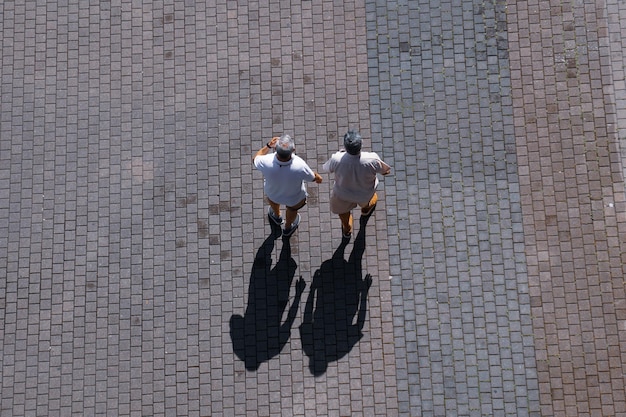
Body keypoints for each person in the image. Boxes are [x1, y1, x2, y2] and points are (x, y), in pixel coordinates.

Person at [322, 129, 391, 239]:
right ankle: (365, 211)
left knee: (343, 213)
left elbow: (326, 168)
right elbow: (386, 171)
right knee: (369, 202)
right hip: (364, 193)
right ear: (361, 144)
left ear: (345, 146)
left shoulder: (337, 159)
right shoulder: (372, 159)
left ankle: (347, 229)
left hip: (342, 194)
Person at [253, 134, 323, 237]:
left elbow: (255, 158)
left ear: (276, 148)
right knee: (292, 210)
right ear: (293, 149)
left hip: (273, 193)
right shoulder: (300, 165)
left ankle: (276, 216)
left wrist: (268, 146)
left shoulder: (266, 161)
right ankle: (288, 227)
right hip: (294, 198)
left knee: (274, 203)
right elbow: (312, 178)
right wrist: (318, 177)